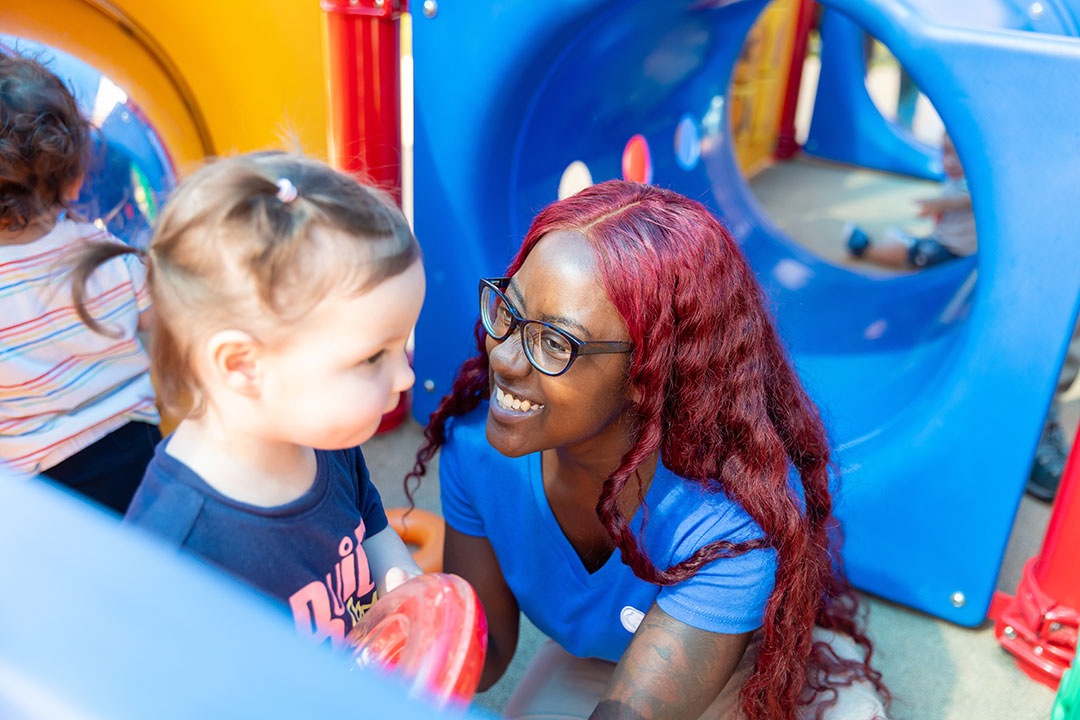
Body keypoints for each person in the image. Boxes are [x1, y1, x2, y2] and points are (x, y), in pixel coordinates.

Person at [407, 181, 890, 719]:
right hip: (594, 659)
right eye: (509, 312)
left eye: (554, 343)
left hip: (726, 677)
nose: (506, 361)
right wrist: (402, 624)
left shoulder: (727, 528)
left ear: (648, 374)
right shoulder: (476, 451)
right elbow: (484, 656)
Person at [73, 152, 424, 646]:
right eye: (373, 357)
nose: (406, 377)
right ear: (242, 366)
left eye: (402, 345)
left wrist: (399, 580)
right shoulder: (177, 547)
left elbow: (370, 524)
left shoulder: (323, 435)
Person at [0, 50, 159, 514]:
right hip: (141, 460)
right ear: (75, 177)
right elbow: (165, 319)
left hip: (40, 488)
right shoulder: (106, 255)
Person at [845, 133, 974, 269]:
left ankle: (863, 249)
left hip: (952, 253)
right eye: (946, 151)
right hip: (941, 241)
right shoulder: (954, 180)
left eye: (959, 155)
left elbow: (968, 200)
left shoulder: (971, 184)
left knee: (910, 252)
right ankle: (902, 241)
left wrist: (942, 204)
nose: (950, 162)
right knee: (913, 243)